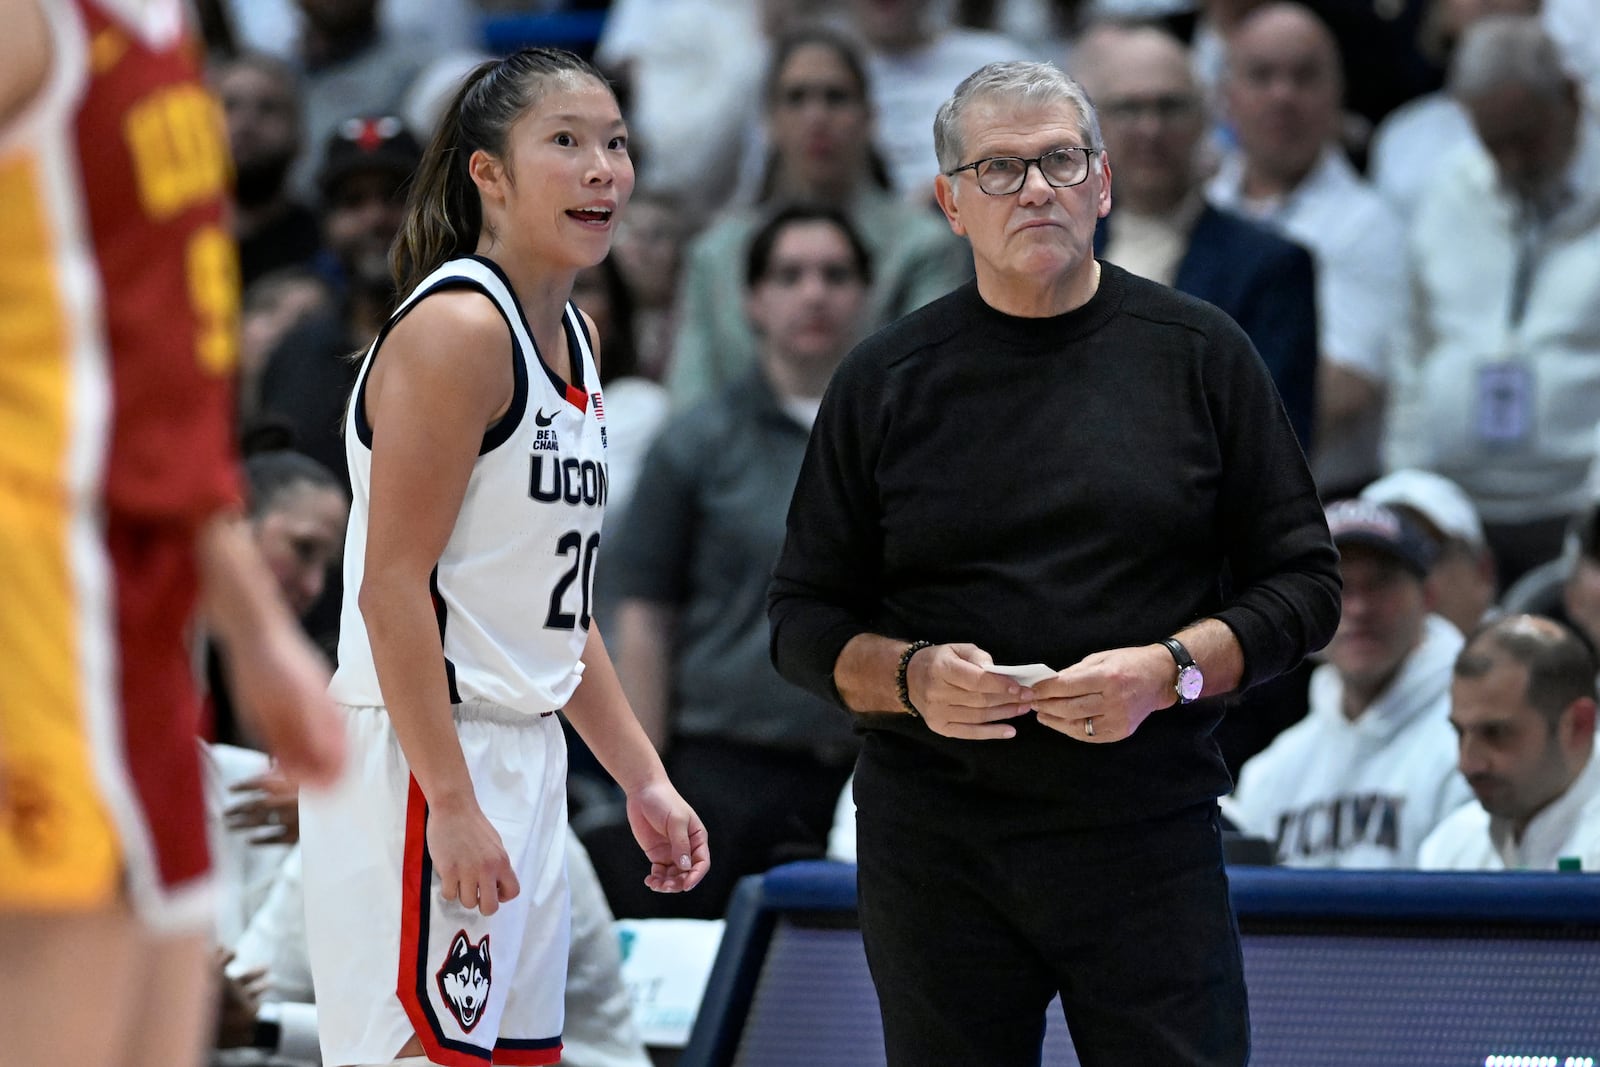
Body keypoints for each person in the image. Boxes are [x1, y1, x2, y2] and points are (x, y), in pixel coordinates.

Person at [768, 59, 1340, 1066]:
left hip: (1146, 829)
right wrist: (910, 679)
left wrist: (1169, 671)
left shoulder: (1201, 354)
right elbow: (802, 619)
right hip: (935, 841)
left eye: (1059, 161)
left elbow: (1303, 587)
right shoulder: (883, 381)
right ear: (949, 201)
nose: (1034, 188)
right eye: (998, 168)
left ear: (1102, 184)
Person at [295, 47, 710, 1067]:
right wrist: (450, 799)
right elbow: (391, 585)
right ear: (489, 173)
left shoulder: (574, 336)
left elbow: (552, 615)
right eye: (565, 142)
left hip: (520, 754)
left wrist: (643, 776)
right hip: (420, 752)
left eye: (615, 143)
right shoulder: (456, 328)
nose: (603, 167)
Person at [0, 3, 344, 1066]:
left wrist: (256, 631)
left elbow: (162, 392)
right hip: (39, 592)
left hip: (146, 608)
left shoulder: (167, 27)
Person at [610, 204, 872, 919]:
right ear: (754, 300)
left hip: (873, 768)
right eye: (790, 275)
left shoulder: (904, 441)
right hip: (726, 768)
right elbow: (644, 611)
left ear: (866, 296)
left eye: (835, 275)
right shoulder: (698, 441)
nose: (813, 292)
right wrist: (647, 778)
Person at [1383, 14, 1600, 586]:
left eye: (1527, 136)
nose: (1512, 161)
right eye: (1493, 141)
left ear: (1573, 100)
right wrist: (1408, 484)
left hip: (1581, 505)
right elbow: (1413, 344)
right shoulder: (1450, 188)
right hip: (1458, 511)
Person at [666, 23, 973, 407]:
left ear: (870, 116)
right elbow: (687, 411)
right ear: (769, 121)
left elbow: (929, 394)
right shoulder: (714, 254)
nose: (817, 117)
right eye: (796, 98)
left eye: (836, 97)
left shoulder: (925, 245)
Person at [1078, 21, 1320, 450]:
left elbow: (1276, 444)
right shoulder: (1058, 251)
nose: (1150, 129)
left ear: (1206, 118)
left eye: (1170, 107)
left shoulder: (1270, 265)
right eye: (1129, 109)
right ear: (1096, 129)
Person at [1208, 2, 1407, 497]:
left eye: (1304, 76)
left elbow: (1344, 388)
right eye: (1262, 76)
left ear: (1337, 93)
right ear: (1227, 97)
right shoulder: (1202, 209)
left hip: (1324, 501)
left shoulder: (1368, 222)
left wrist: (1185, 427)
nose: (1283, 95)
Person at [1225, 499, 1473, 867]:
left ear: (1428, 596)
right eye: (1338, 587)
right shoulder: (1272, 773)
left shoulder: (1472, 745)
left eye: (1380, 584)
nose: (1358, 608)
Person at [1419, 614, 1600, 871]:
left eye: (1495, 733)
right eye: (1460, 732)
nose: (1468, 763)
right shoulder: (1451, 844)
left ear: (1578, 726)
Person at [1362, 467, 1499, 636]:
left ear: (1483, 572)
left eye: (1426, 555)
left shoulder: (1531, 655)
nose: (1412, 585)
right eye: (1386, 567)